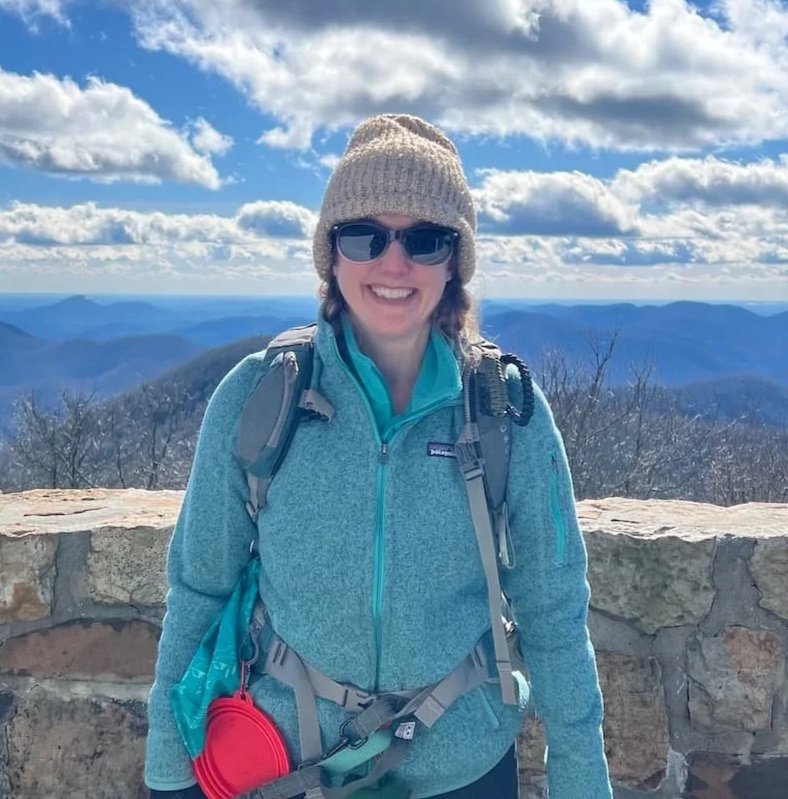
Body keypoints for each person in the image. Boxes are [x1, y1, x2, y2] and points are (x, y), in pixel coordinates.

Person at [145, 114, 612, 799]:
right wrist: (167, 765)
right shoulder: (259, 396)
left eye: (425, 240)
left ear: (454, 262)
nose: (394, 263)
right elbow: (199, 588)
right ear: (331, 255)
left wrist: (581, 777)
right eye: (365, 235)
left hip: (462, 766)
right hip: (287, 760)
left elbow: (552, 605)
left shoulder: (506, 412)